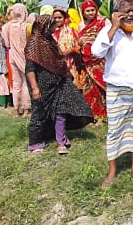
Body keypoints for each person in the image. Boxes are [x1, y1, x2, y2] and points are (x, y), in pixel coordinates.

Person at [91, 0, 133, 186]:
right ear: (115, 13)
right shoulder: (108, 32)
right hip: (117, 89)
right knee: (115, 130)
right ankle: (112, 171)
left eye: (132, 11)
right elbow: (96, 52)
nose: (130, 15)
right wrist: (114, 27)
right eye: (126, 11)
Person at [24, 15, 93, 153]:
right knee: (40, 113)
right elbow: (30, 69)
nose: (55, 28)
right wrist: (35, 88)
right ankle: (36, 143)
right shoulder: (34, 43)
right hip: (42, 85)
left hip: (59, 82)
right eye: (52, 25)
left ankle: (61, 140)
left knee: (61, 110)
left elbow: (59, 56)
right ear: (45, 26)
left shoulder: (50, 41)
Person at [75, 0, 108, 120]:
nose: (90, 13)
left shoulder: (103, 22)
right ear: (83, 13)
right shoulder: (81, 25)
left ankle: (103, 115)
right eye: (87, 11)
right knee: (90, 89)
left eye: (92, 10)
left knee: (101, 88)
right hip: (86, 63)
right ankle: (92, 115)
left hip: (100, 61)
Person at [1, 4, 30, 117]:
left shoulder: (6, 27)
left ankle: (16, 110)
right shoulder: (26, 26)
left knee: (16, 83)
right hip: (24, 56)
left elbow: (6, 44)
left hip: (12, 55)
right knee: (26, 82)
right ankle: (26, 110)